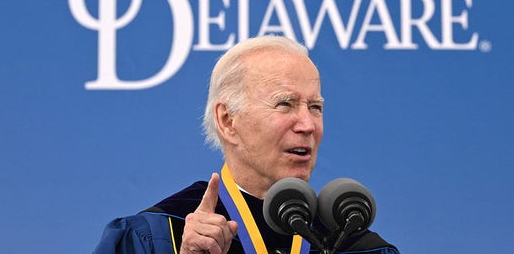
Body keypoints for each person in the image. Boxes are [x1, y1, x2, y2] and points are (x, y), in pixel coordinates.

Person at [93, 35, 399, 254]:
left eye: (315, 107)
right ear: (228, 121)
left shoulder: (352, 245)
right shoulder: (160, 235)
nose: (308, 124)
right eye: (285, 104)